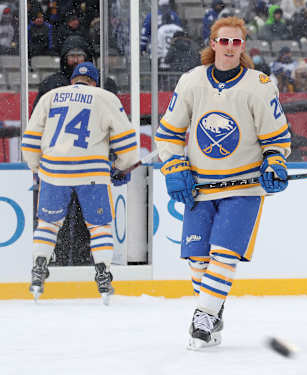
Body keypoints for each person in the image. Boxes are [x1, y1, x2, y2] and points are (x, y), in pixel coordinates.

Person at [154, 16, 291, 349]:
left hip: (242, 189)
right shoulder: (191, 81)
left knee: (224, 254)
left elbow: (275, 138)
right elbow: (170, 132)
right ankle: (215, 310)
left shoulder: (258, 84)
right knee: (198, 261)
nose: (230, 47)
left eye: (237, 42)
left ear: (243, 47)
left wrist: (274, 160)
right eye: (224, 41)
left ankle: (202, 317)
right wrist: (173, 164)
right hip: (201, 187)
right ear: (213, 44)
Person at [21, 62, 139, 304]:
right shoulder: (105, 97)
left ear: (72, 80)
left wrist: (38, 168)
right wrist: (119, 166)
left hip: (54, 170)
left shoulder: (50, 96)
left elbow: (31, 139)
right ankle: (103, 272)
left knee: (49, 223)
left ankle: (38, 266)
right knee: (99, 226)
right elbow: (127, 145)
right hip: (92, 171)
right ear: (94, 82)